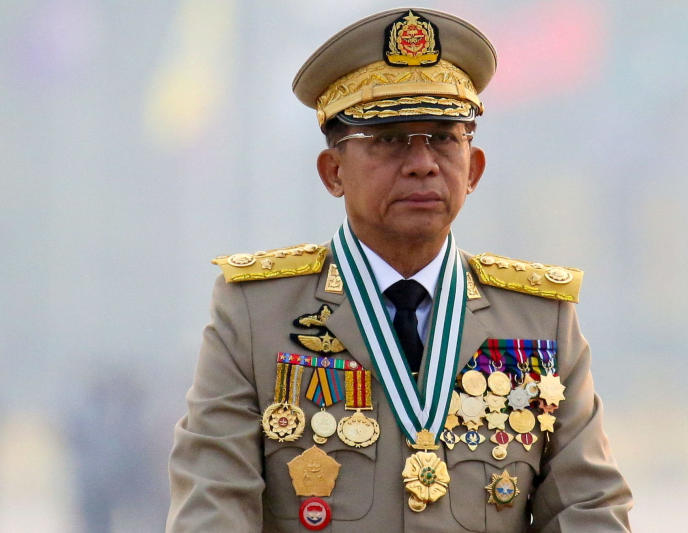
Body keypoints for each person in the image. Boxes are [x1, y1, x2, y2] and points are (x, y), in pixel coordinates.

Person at [167, 7, 632, 532]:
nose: (422, 162)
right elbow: (213, 506)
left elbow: (589, 508)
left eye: (443, 136)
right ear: (333, 171)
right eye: (389, 139)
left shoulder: (538, 319)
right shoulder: (256, 313)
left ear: (473, 167)